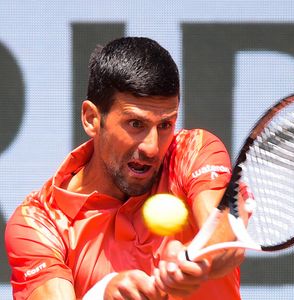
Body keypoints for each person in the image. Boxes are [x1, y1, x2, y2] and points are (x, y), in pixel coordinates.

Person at [5, 37, 245, 300]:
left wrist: (194, 260)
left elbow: (224, 234)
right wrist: (101, 294)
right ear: (92, 119)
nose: (152, 148)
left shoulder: (192, 150)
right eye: (135, 124)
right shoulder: (38, 224)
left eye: (165, 125)